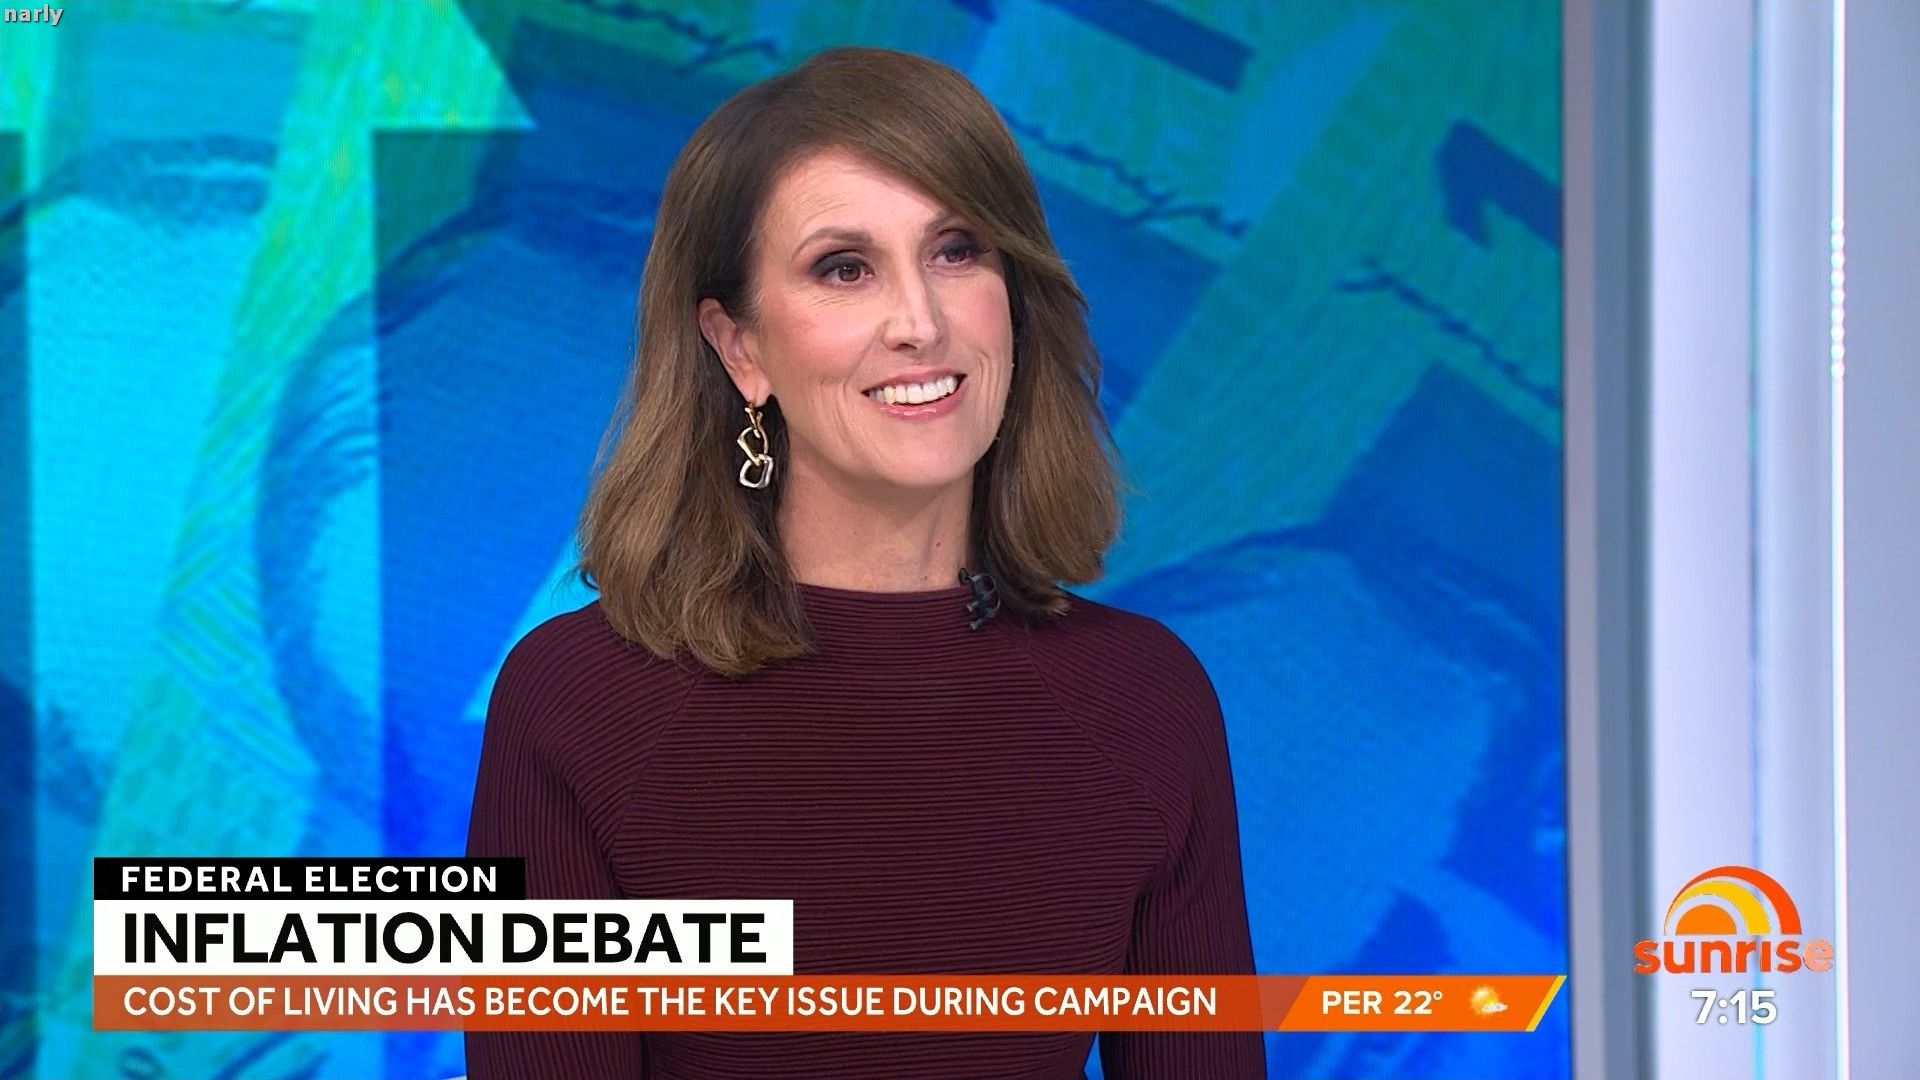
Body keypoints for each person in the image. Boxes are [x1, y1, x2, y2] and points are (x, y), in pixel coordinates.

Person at [465, 45, 1263, 1080]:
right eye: (844, 268)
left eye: (957, 251)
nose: (919, 324)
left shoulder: (1147, 697)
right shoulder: (580, 699)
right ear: (740, 347)